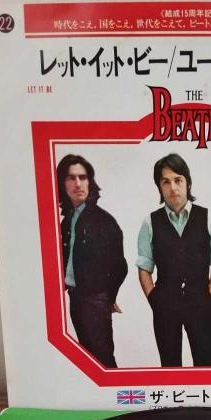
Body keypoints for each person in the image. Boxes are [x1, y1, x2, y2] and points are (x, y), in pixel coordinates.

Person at [136, 153, 211, 367]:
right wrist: (154, 300)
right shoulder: (150, 222)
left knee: (206, 367)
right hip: (165, 306)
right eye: (165, 182)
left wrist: (210, 299)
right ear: (159, 187)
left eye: (178, 180)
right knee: (170, 368)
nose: (173, 187)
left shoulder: (209, 218)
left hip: (200, 304)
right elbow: (144, 266)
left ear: (188, 183)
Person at [57, 154, 127, 368]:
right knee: (87, 360)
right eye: (71, 178)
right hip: (75, 297)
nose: (78, 184)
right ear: (62, 183)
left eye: (83, 177)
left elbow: (119, 266)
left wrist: (107, 297)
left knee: (103, 360)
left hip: (94, 301)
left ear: (90, 182)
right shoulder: (67, 221)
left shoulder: (103, 220)